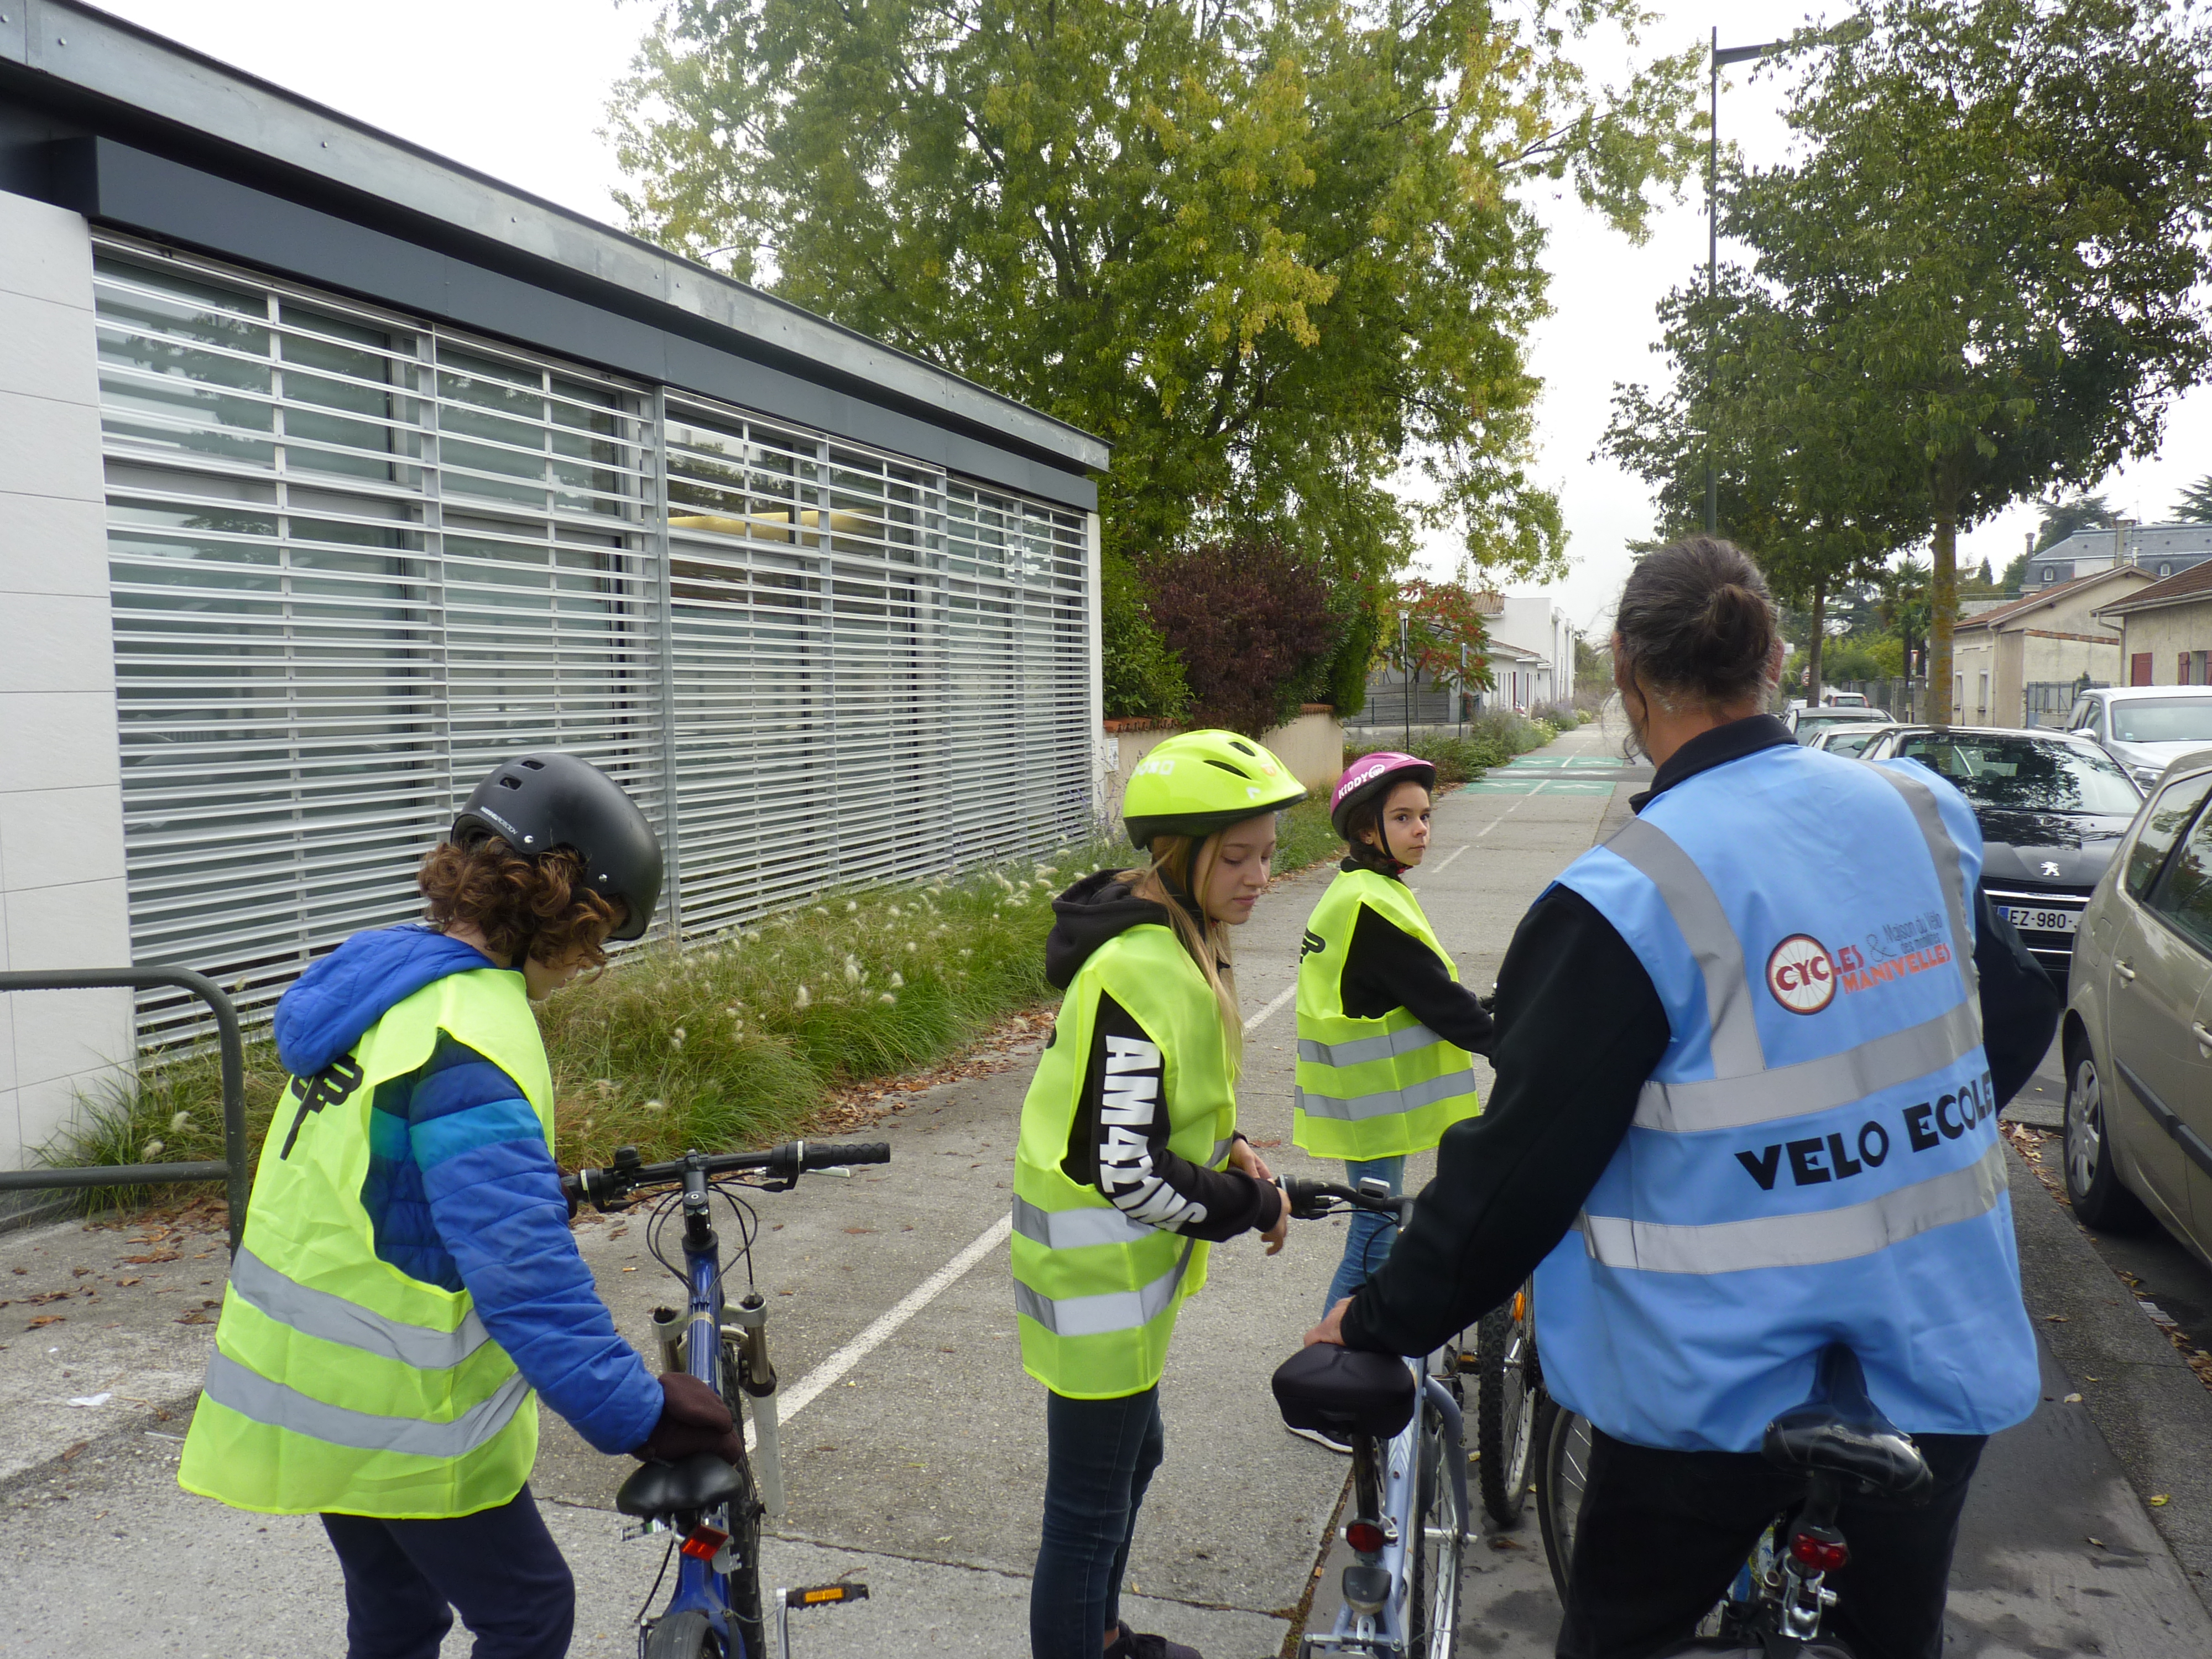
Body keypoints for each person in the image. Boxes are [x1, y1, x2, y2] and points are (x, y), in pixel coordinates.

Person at [1306, 537, 2061, 1659]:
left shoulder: (1625, 893)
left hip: (1714, 1390)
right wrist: (1893, 1144)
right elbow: (2012, 1009)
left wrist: (1375, 1323)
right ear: (1772, 656)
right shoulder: (1918, 813)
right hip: (1933, 1352)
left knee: (1622, 1631)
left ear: (1623, 669)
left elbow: (1517, 1166)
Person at [180, 752, 744, 1659]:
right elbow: (523, 1274)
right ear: (566, 908)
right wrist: (641, 1413)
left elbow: (384, 1175)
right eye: (599, 936)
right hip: (400, 1409)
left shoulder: (383, 987)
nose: (589, 963)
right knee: (527, 1612)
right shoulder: (470, 1037)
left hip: (309, 1391)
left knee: (398, 1617)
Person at [1013, 728, 1303, 1659]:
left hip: (1121, 1276)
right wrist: (1249, 1205)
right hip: (1096, 1279)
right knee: (1086, 1515)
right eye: (1239, 856)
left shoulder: (1186, 944)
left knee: (1136, 1458)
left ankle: (1100, 1635)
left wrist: (1234, 1149)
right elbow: (1125, 1165)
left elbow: (1163, 1101)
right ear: (1181, 856)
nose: (1263, 874)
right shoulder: (1140, 967)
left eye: (1268, 852)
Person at [1290, 751, 1491, 1436]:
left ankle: (1344, 1376)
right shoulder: (1371, 904)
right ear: (1365, 829)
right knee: (1372, 1236)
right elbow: (1439, 1002)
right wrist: (1509, 1040)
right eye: (1402, 817)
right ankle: (1324, 1395)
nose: (1421, 830)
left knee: (1375, 1231)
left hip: (1368, 1098)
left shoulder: (1365, 890)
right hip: (1375, 1101)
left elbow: (1422, 994)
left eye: (1425, 816)